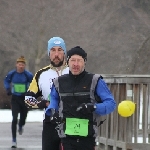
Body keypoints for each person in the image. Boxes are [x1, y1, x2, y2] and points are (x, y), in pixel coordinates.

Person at [45, 46, 116, 150]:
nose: (76, 64)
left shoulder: (95, 80)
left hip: (87, 137)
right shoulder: (58, 82)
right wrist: (52, 111)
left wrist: (94, 107)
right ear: (67, 62)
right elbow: (54, 100)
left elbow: (111, 103)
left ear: (85, 62)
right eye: (73, 60)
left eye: (79, 61)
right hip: (66, 136)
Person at [24, 37, 69, 150]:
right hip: (50, 123)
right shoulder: (41, 74)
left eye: (60, 50)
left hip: (72, 123)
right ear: (49, 53)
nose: (56, 54)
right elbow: (28, 98)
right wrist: (43, 103)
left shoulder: (73, 71)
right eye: (53, 50)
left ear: (64, 52)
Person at [4, 56, 33, 148]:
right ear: (16, 65)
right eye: (19, 64)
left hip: (24, 98)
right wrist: (8, 88)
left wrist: (31, 91)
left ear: (24, 66)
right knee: (14, 118)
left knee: (23, 117)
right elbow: (6, 80)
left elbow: (33, 83)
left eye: (22, 65)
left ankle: (21, 125)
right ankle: (14, 140)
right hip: (15, 98)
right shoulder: (12, 74)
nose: (21, 66)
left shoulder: (27, 74)